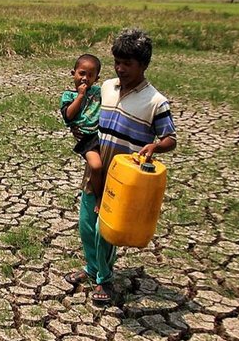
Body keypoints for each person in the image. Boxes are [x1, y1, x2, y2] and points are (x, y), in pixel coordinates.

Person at [65, 29, 176, 304]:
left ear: (144, 65)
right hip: (97, 169)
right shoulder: (106, 88)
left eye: (128, 64)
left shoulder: (155, 101)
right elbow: (85, 114)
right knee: (86, 225)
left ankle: (104, 278)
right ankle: (91, 267)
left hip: (124, 179)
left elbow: (170, 138)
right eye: (117, 62)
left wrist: (155, 147)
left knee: (108, 231)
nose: (120, 68)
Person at [60, 54, 103, 210]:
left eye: (90, 75)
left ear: (97, 79)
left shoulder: (99, 91)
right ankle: (99, 197)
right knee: (96, 166)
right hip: (87, 139)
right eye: (82, 73)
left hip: (103, 135)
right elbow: (68, 115)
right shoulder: (68, 95)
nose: (85, 78)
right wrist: (80, 96)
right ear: (73, 73)